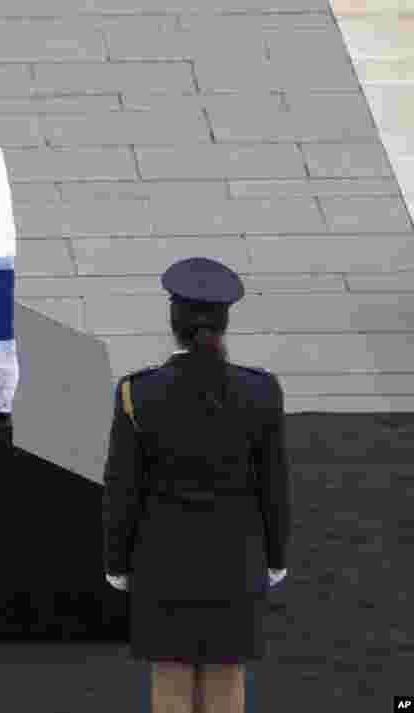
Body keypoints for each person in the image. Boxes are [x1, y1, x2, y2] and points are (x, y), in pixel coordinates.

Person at [102, 257, 292, 713]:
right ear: (225, 323)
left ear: (174, 322)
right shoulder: (261, 391)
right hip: (236, 556)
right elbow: (274, 485)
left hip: (162, 559)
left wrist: (116, 559)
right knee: (226, 677)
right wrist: (276, 556)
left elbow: (123, 488)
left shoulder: (137, 393)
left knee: (171, 677)